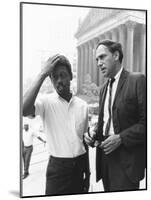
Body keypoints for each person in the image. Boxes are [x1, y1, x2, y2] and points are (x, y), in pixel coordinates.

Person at [23, 54, 90, 195]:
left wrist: (88, 174)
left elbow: (83, 141)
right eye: (54, 77)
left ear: (71, 76)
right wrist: (42, 74)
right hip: (57, 170)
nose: (59, 81)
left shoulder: (83, 106)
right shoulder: (45, 102)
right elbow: (23, 109)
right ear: (51, 80)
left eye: (63, 75)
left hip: (80, 168)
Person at [84, 40, 146, 192]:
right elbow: (105, 121)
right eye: (97, 59)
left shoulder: (137, 80)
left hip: (127, 163)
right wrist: (93, 135)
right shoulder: (103, 89)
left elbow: (146, 123)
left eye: (102, 57)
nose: (99, 63)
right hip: (105, 160)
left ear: (116, 55)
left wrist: (121, 138)